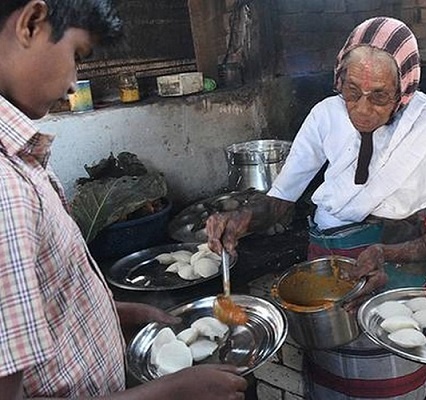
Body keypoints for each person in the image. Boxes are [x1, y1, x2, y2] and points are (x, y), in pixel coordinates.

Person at [207, 16, 426, 399]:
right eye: (351, 91)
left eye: (379, 95)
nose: (362, 109)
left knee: (391, 386)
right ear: (338, 81)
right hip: (326, 292)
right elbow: (281, 200)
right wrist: (243, 219)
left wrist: (385, 252)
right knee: (332, 384)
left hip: (396, 291)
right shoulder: (326, 116)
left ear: (404, 90)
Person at [0, 1, 247, 399]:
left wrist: (110, 314)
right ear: (30, 24)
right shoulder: (5, 187)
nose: (71, 84)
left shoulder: (21, 161)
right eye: (77, 56)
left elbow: (32, 307)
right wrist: (169, 393)